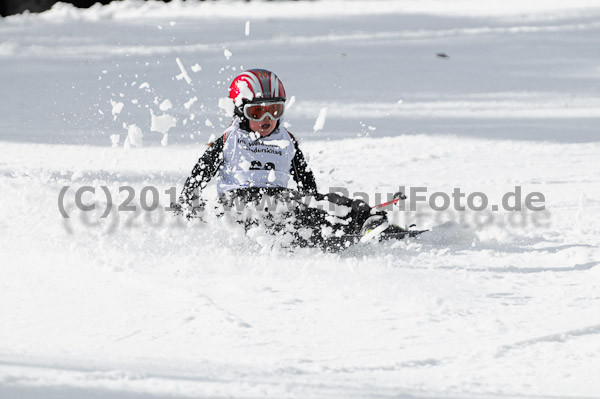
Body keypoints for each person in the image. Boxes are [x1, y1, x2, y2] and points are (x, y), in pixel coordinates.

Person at [173, 68, 404, 251]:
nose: (266, 118)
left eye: (274, 110)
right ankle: (324, 230)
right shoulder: (229, 140)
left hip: (279, 200)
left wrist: (314, 199)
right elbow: (200, 172)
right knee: (289, 208)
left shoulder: (286, 140)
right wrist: (187, 203)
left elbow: (304, 177)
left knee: (326, 201)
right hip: (239, 205)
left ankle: (366, 221)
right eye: (256, 113)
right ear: (239, 111)